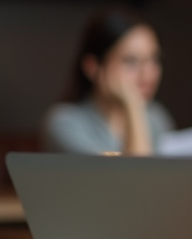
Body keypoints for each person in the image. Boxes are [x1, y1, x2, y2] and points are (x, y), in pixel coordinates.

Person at [41, 9, 173, 155]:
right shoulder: (65, 123)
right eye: (131, 61)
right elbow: (134, 170)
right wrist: (133, 107)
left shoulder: (156, 118)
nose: (147, 74)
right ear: (92, 67)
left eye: (154, 59)